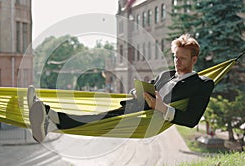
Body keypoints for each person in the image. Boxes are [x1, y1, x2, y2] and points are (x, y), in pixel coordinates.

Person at [28, 34, 215, 143]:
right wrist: (138, 92)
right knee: (96, 117)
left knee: (97, 119)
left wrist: (161, 107)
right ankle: (49, 120)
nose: (177, 62)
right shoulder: (166, 74)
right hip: (134, 107)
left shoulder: (203, 84)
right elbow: (150, 89)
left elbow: (191, 119)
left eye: (182, 58)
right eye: (175, 57)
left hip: (148, 120)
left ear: (194, 60)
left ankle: (49, 116)